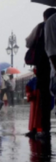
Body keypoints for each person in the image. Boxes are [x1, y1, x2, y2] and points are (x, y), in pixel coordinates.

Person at [28, 8, 56, 139]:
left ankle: (44, 129)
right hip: (49, 65)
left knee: (43, 99)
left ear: (44, 16)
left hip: (44, 66)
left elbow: (28, 42)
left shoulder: (43, 25)